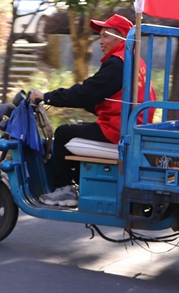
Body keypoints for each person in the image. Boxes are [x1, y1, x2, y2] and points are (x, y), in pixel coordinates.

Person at [28, 13, 154, 207]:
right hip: (132, 127)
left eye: (105, 36)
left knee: (64, 134)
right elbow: (100, 97)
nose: (100, 41)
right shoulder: (137, 62)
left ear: (121, 37)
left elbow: (86, 91)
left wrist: (47, 97)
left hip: (117, 131)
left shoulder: (116, 63)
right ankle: (79, 182)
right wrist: (69, 100)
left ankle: (65, 191)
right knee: (78, 130)